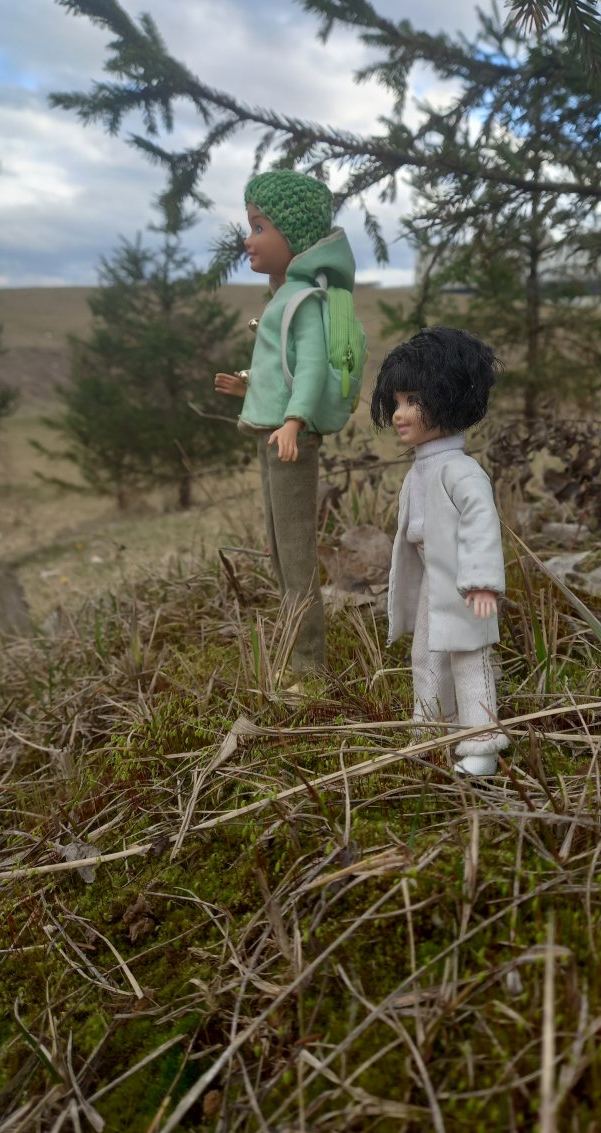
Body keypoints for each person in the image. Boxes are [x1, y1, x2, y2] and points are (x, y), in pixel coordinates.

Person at [215, 170, 357, 685]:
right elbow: (283, 366)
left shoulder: (305, 301)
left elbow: (313, 369)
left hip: (288, 439)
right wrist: (247, 388)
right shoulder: (284, 296)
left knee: (295, 555)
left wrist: (295, 420)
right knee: (278, 547)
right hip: (271, 433)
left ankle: (310, 669)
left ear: (292, 237)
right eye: (250, 226)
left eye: (258, 227)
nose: (248, 240)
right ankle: (293, 649)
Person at [371, 326, 509, 776]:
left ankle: (483, 742)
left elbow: (482, 525)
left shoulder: (461, 471)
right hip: (435, 578)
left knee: (471, 657)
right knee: (427, 654)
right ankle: (430, 732)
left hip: (464, 580)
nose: (399, 413)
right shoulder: (422, 470)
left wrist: (484, 583)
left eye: (412, 401)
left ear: (448, 399)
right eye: (396, 402)